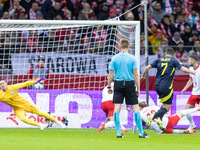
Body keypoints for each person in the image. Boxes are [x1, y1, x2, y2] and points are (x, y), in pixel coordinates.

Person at [141, 47, 195, 131]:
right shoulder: (174, 60)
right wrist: (191, 71)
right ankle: (153, 117)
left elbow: (147, 68)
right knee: (167, 108)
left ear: (165, 53)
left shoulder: (159, 59)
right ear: (173, 54)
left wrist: (143, 76)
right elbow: (183, 69)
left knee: (164, 105)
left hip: (157, 85)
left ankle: (159, 120)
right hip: (166, 86)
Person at [108, 38, 149, 138]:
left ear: (119, 46)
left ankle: (118, 133)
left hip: (118, 83)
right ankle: (141, 133)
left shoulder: (115, 58)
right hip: (129, 83)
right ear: (129, 46)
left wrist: (109, 86)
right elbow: (136, 75)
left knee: (117, 108)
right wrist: (138, 88)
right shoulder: (132, 58)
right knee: (135, 107)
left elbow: (110, 74)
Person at [0, 79, 66, 130]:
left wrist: (35, 82)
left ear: (6, 83)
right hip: (17, 109)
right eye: (0, 84)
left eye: (3, 83)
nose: (2, 85)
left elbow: (25, 83)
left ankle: (59, 122)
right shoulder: (1, 95)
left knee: (40, 113)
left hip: (25, 104)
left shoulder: (12, 87)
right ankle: (40, 125)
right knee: (22, 119)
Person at [134, 101, 198, 134]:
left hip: (160, 131)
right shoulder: (153, 107)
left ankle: (183, 132)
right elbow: (164, 112)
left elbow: (135, 124)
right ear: (146, 105)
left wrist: (134, 132)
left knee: (169, 131)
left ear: (140, 107)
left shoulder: (140, 113)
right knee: (181, 113)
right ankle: (197, 109)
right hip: (168, 122)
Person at [181, 54, 200, 130]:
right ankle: (192, 124)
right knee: (186, 110)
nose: (188, 61)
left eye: (189, 60)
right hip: (195, 93)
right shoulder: (191, 69)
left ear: (193, 60)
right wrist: (185, 88)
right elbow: (191, 79)